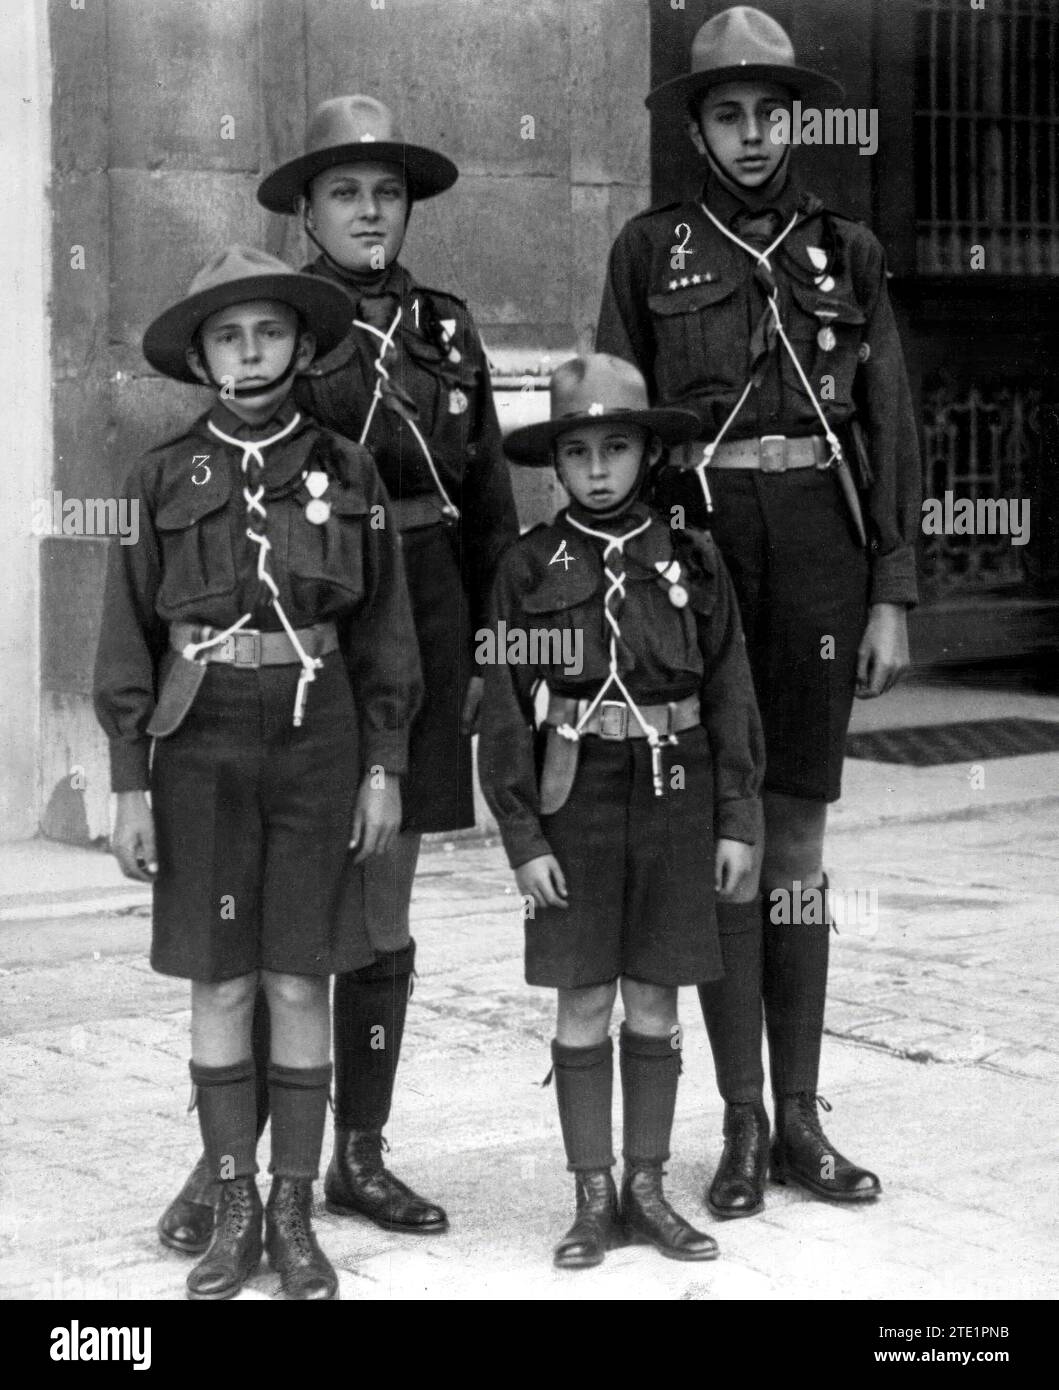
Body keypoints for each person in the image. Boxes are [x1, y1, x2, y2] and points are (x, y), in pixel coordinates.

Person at [596, 6, 922, 1218]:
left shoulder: (848, 253)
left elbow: (889, 428)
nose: (749, 134)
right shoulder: (649, 253)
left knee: (797, 845)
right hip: (704, 560)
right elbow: (611, 434)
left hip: (823, 561)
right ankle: (735, 1122)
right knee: (724, 834)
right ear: (697, 126)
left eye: (769, 113)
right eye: (726, 113)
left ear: (797, 121)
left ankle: (800, 1120)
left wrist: (891, 589)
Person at [94, 245, 422, 1299]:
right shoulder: (160, 476)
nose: (251, 349)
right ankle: (231, 1204)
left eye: (269, 330)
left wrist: (384, 764)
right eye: (228, 333)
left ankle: (293, 1209)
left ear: (299, 341)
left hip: (317, 735)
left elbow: (384, 633)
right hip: (202, 745)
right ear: (200, 353)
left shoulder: (350, 470)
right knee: (221, 976)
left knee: (298, 973)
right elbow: (125, 637)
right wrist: (130, 782)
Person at [478, 354, 764, 1268]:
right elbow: (500, 705)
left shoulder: (691, 556)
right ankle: (590, 1193)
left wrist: (737, 817)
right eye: (577, 451)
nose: (597, 468)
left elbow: (728, 693)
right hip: (578, 793)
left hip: (676, 787)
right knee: (582, 994)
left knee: (654, 990)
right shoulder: (526, 566)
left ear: (647, 454)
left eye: (616, 447)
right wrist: (521, 834)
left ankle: (646, 1185)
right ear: (553, 463)